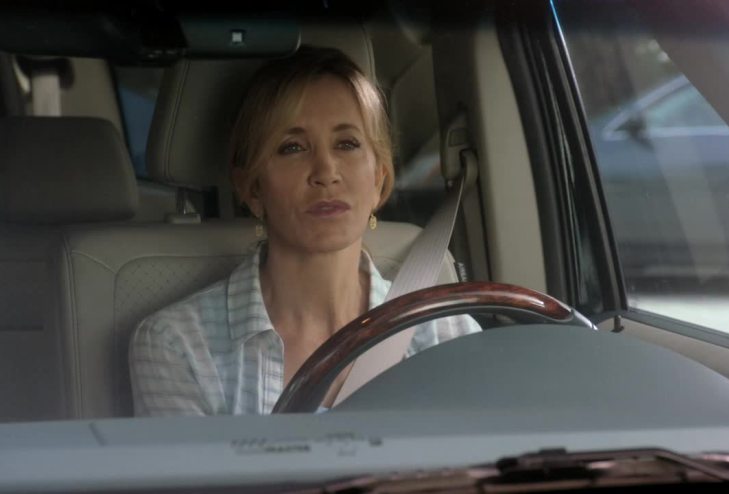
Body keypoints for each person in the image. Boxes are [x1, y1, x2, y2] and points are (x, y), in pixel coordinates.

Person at [129, 46, 481, 416]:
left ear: (379, 179)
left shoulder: (445, 333)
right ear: (252, 188)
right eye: (292, 148)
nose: (326, 171)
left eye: (347, 144)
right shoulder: (179, 345)